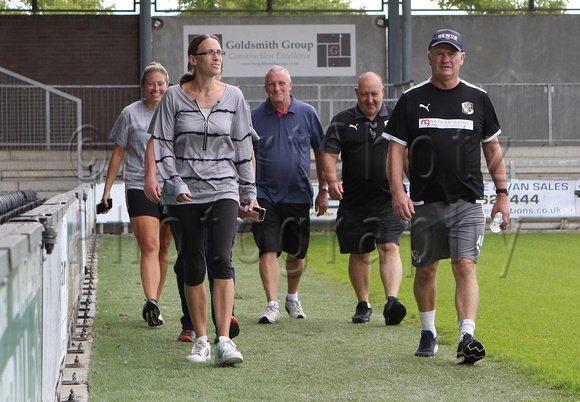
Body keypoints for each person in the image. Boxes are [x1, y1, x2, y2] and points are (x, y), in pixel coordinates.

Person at [385, 29, 510, 365]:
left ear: (461, 59)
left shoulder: (479, 98)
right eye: (439, 53)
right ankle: (428, 332)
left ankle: (466, 335)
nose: (445, 59)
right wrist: (398, 190)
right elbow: (396, 150)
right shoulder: (411, 99)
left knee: (465, 266)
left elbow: (492, 149)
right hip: (424, 203)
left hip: (468, 202)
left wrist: (502, 194)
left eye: (451, 53)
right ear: (429, 58)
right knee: (425, 270)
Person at [148, 34, 257, 365]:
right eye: (209, 52)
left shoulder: (235, 97)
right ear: (193, 59)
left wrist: (248, 193)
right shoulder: (172, 98)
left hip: (224, 189)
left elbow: (242, 147)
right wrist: (174, 181)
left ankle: (225, 340)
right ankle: (201, 339)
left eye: (220, 52)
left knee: (221, 259)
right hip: (185, 193)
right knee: (192, 263)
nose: (217, 57)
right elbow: (162, 144)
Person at [321, 72, 407, 325]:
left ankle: (392, 302)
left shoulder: (396, 118)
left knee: (389, 246)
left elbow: (410, 153)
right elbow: (328, 153)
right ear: (356, 93)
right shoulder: (342, 120)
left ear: (383, 91)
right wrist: (331, 181)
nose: (370, 99)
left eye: (375, 94)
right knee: (360, 253)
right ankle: (363, 303)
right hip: (354, 200)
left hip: (389, 198)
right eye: (365, 94)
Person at [251, 65, 328, 324]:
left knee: (297, 253)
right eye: (272, 84)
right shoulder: (254, 117)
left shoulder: (308, 113)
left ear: (290, 85)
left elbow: (321, 151)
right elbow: (244, 155)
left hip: (298, 195)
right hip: (264, 195)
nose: (277, 88)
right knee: (268, 248)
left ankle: (292, 297)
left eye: (281, 83)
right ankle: (271, 304)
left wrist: (324, 190)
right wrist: (246, 192)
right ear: (266, 88)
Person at [100, 61, 172, 327]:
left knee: (164, 248)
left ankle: (156, 304)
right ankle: (150, 299)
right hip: (138, 186)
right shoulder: (130, 113)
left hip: (172, 187)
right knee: (150, 246)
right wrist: (107, 191)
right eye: (151, 83)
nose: (156, 88)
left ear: (168, 85)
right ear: (143, 86)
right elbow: (118, 152)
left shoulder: (175, 111)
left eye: (160, 83)